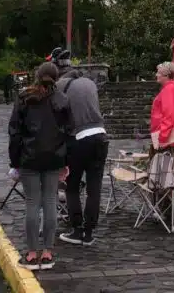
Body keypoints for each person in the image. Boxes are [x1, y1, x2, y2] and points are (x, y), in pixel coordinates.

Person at [8, 62, 72, 271]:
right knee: (50, 202)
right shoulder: (62, 100)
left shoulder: (25, 98)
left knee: (32, 204)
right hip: (54, 159)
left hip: (29, 157)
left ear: (37, 75)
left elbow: (15, 132)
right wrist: (65, 161)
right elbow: (68, 132)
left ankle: (32, 252)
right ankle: (47, 251)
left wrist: (15, 161)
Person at [53, 50, 109, 246]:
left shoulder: (60, 86)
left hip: (78, 138)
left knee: (72, 187)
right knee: (94, 188)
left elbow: (57, 117)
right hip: (101, 136)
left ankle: (76, 230)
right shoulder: (90, 83)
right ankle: (89, 233)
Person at [150, 62, 174, 152]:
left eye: (159, 73)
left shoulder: (169, 89)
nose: (156, 74)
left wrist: (162, 137)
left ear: (166, 75)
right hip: (170, 136)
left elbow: (169, 114)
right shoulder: (172, 88)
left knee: (164, 164)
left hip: (169, 138)